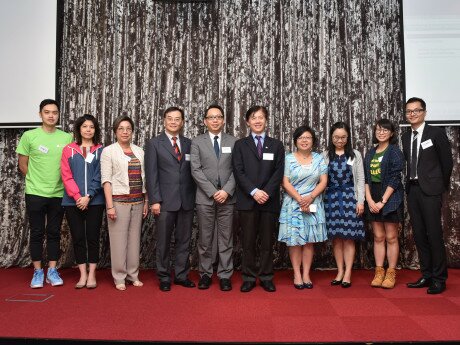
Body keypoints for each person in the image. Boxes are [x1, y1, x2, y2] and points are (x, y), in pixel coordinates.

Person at [16, 99, 73, 288]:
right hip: (35, 193)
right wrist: (36, 180)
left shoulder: (66, 138)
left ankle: (52, 270)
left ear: (58, 115)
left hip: (58, 193)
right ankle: (38, 272)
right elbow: (23, 164)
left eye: (54, 112)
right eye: (47, 112)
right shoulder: (29, 136)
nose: (51, 115)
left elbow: (70, 165)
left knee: (54, 232)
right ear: (40, 114)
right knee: (37, 233)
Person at [403, 97, 453, 294]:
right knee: (419, 235)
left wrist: (439, 186)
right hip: (413, 190)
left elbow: (446, 163)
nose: (412, 114)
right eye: (409, 111)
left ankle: (440, 278)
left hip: (431, 191)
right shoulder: (406, 137)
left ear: (424, 112)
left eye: (416, 110)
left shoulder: (436, 133)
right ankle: (427, 274)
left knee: (434, 234)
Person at [232, 106, 284, 293]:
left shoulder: (277, 145)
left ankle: (266, 276)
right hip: (247, 200)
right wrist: (254, 191)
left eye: (261, 117)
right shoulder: (240, 145)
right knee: (247, 242)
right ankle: (248, 277)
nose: (257, 121)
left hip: (269, 201)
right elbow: (238, 171)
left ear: (266, 120)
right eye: (253, 118)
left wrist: (266, 192)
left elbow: (279, 172)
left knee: (267, 243)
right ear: (247, 122)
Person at [145, 107, 196, 292]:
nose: (173, 122)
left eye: (177, 119)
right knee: (164, 241)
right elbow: (151, 175)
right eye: (170, 118)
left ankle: (181, 275)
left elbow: (193, 172)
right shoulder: (154, 144)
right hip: (164, 201)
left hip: (187, 200)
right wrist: (154, 200)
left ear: (182, 122)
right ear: (164, 121)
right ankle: (164, 276)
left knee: (184, 240)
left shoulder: (190, 143)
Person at [191, 105, 237, 291]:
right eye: (211, 117)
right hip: (205, 197)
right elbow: (195, 169)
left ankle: (225, 275)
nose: (215, 120)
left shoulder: (234, 141)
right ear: (205, 121)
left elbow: (237, 169)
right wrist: (212, 191)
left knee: (226, 238)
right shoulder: (197, 142)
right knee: (205, 238)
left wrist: (226, 190)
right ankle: (205, 274)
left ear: (223, 120)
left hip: (228, 197)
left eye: (218, 117)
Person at [101, 115, 148, 291]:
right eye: (121, 128)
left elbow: (144, 178)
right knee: (118, 242)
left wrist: (146, 201)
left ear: (133, 131)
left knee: (134, 241)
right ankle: (119, 277)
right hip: (118, 202)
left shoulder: (139, 151)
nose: (125, 131)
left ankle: (133, 274)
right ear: (115, 132)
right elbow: (106, 180)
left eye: (128, 128)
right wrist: (110, 206)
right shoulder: (109, 151)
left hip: (137, 201)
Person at [279, 125, 328, 289]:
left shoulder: (319, 158)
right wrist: (301, 199)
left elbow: (324, 181)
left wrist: (311, 197)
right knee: (295, 241)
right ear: (295, 141)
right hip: (293, 204)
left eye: (308, 137)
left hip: (313, 202)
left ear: (313, 141)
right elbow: (285, 182)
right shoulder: (288, 158)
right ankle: (297, 274)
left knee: (309, 241)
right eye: (301, 138)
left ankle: (306, 273)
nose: (304, 140)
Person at [61, 114, 105, 289]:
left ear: (95, 130)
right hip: (73, 202)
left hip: (95, 201)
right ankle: (83, 274)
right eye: (85, 126)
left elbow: (100, 175)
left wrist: (89, 196)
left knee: (93, 237)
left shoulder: (101, 150)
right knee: (78, 237)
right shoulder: (68, 150)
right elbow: (66, 175)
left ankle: (92, 274)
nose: (88, 130)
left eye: (92, 127)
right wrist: (78, 196)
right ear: (79, 129)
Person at [323, 122, 365, 288]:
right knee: (336, 239)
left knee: (348, 238)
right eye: (336, 137)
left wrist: (360, 201)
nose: (339, 140)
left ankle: (348, 273)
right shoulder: (326, 155)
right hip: (331, 199)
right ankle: (339, 271)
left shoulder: (355, 154)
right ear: (331, 137)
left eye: (343, 137)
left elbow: (361, 180)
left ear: (348, 137)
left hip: (349, 199)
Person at [364, 119, 404, 289]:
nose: (381, 133)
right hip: (373, 195)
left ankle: (391, 272)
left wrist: (383, 201)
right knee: (378, 237)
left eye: (385, 130)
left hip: (390, 196)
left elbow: (395, 178)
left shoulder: (394, 152)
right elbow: (365, 178)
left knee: (391, 237)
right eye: (378, 130)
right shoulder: (370, 152)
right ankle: (379, 271)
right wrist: (370, 200)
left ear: (392, 133)